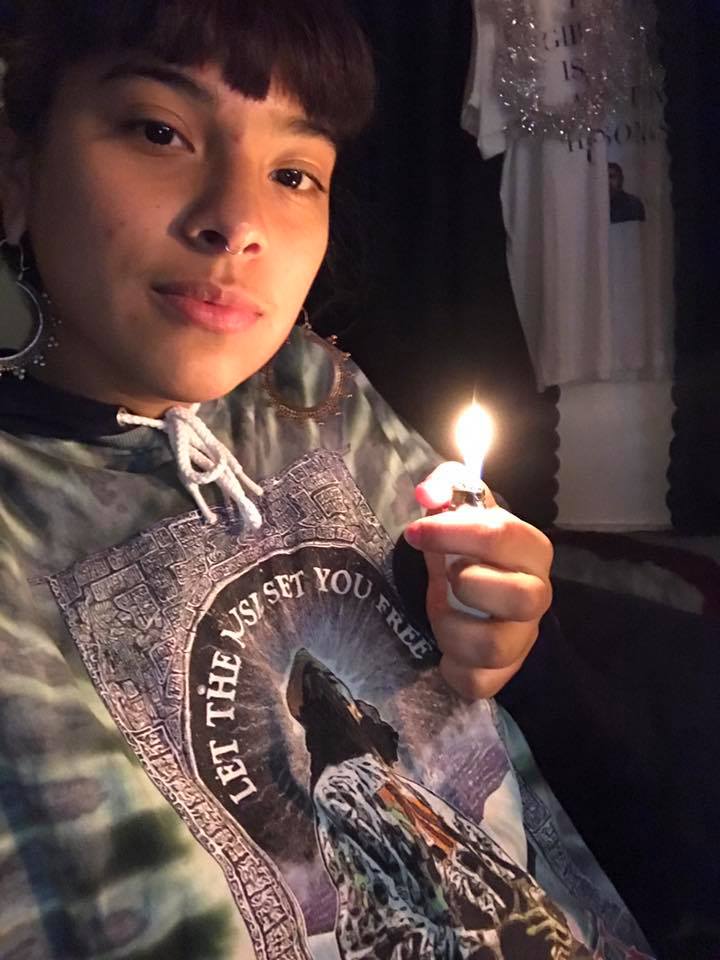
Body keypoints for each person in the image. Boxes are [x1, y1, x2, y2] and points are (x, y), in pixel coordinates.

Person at [0, 2, 653, 957]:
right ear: (17, 165)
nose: (237, 222)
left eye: (293, 173)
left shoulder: (310, 388)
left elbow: (502, 710)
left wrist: (502, 625)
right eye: (159, 132)